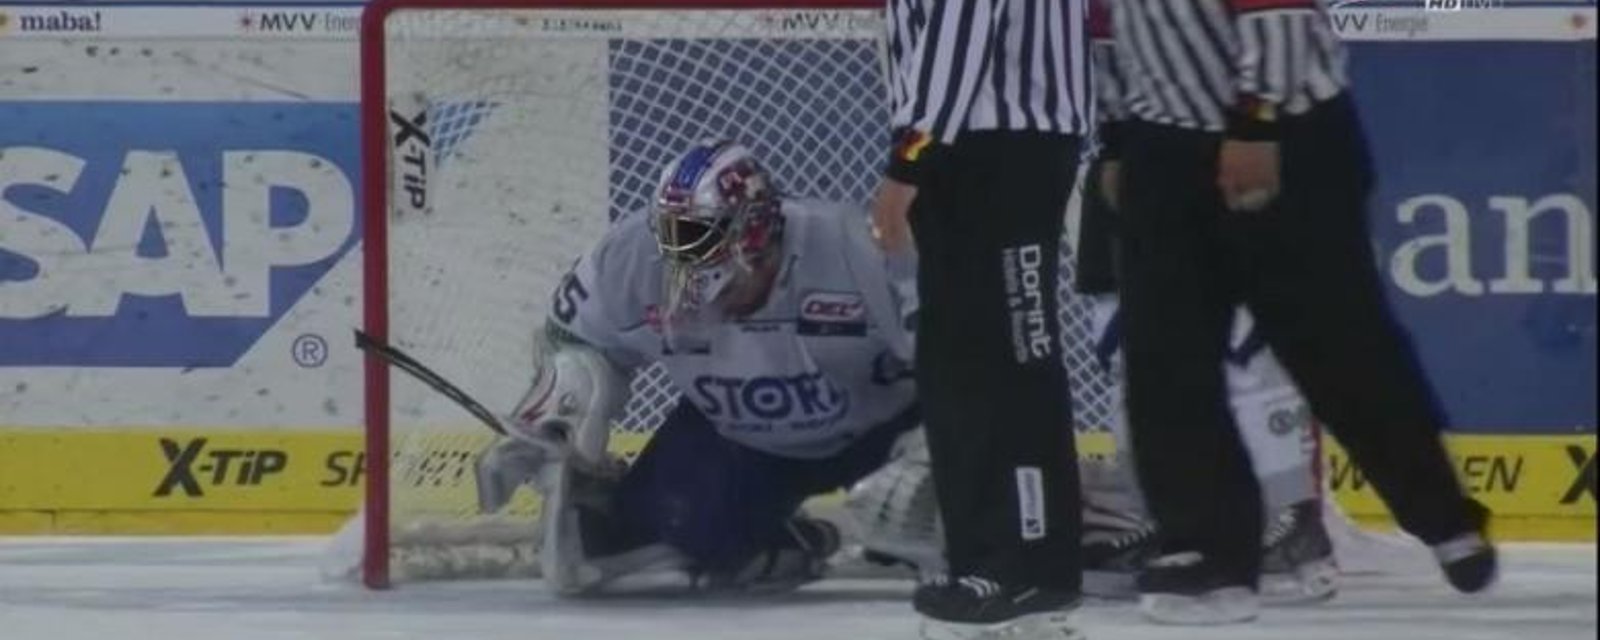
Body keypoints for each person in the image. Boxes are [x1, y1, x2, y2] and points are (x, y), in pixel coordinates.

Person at [1100, 0, 1497, 624]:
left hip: (1289, 134)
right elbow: (1106, 26)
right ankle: (1205, 550)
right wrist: (1117, 137)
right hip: (1165, 142)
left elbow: (1278, 15)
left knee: (1338, 345)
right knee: (1164, 359)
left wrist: (1257, 126)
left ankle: (1440, 515)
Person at [474, 139, 923, 595]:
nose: (677, 256)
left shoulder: (858, 248)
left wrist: (931, 454)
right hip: (746, 441)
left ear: (752, 229)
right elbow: (577, 343)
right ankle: (787, 545)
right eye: (669, 233)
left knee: (939, 522)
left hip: (880, 434)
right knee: (643, 531)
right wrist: (552, 427)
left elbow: (959, 359)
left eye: (696, 236)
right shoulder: (631, 258)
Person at [869, 0, 1093, 636]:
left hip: (998, 145)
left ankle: (1027, 564)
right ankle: (985, 559)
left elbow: (961, 24)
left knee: (1011, 351)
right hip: (975, 142)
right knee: (960, 357)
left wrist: (910, 156)